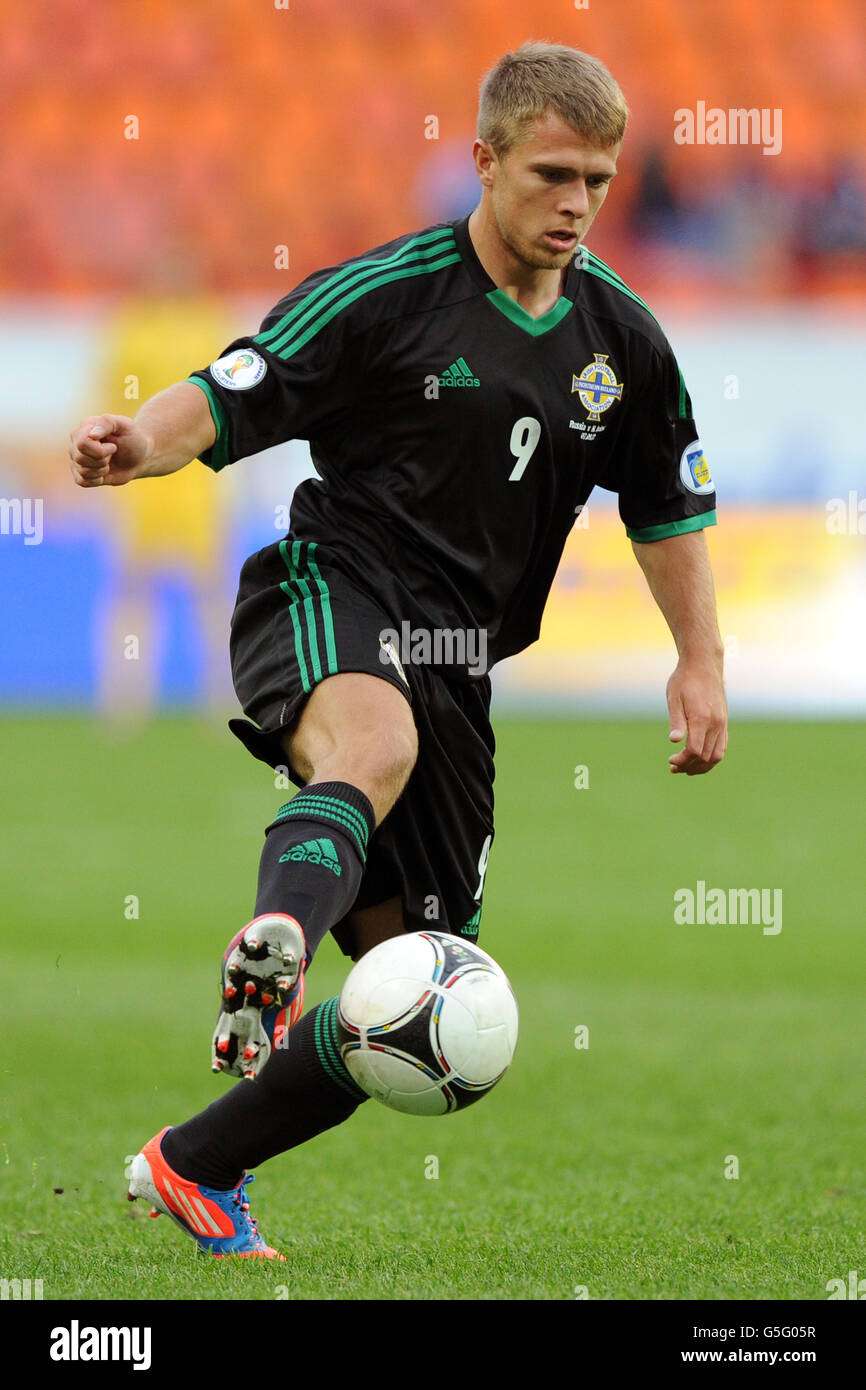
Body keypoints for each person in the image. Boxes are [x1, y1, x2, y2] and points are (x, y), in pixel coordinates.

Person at [68, 42, 727, 1260]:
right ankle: (272, 940)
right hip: (331, 585)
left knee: (426, 991)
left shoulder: (618, 342)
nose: (576, 204)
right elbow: (227, 393)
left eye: (596, 178)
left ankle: (195, 1163)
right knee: (372, 739)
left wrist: (699, 661)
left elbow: (666, 506)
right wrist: (136, 446)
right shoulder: (383, 294)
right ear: (481, 162)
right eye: (549, 175)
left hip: (462, 660)